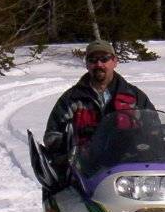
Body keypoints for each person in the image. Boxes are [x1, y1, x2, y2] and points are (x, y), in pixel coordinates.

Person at [43, 40, 153, 177]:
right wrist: (70, 153)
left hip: (129, 166)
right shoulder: (71, 98)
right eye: (92, 60)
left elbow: (154, 126)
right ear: (87, 64)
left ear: (114, 61)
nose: (98, 64)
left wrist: (149, 140)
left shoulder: (134, 96)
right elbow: (52, 134)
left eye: (104, 59)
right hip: (85, 169)